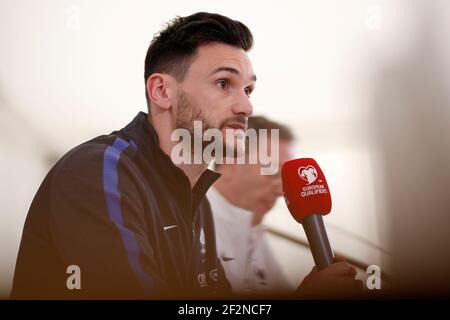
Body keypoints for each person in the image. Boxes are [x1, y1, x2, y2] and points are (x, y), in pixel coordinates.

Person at [11, 11, 362, 300]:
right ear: (162, 90)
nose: (246, 106)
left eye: (249, 88)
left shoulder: (199, 202)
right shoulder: (99, 171)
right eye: (224, 84)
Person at [207, 116, 295, 296]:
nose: (282, 191)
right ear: (229, 162)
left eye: (286, 177)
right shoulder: (190, 226)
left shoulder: (252, 229)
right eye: (273, 172)